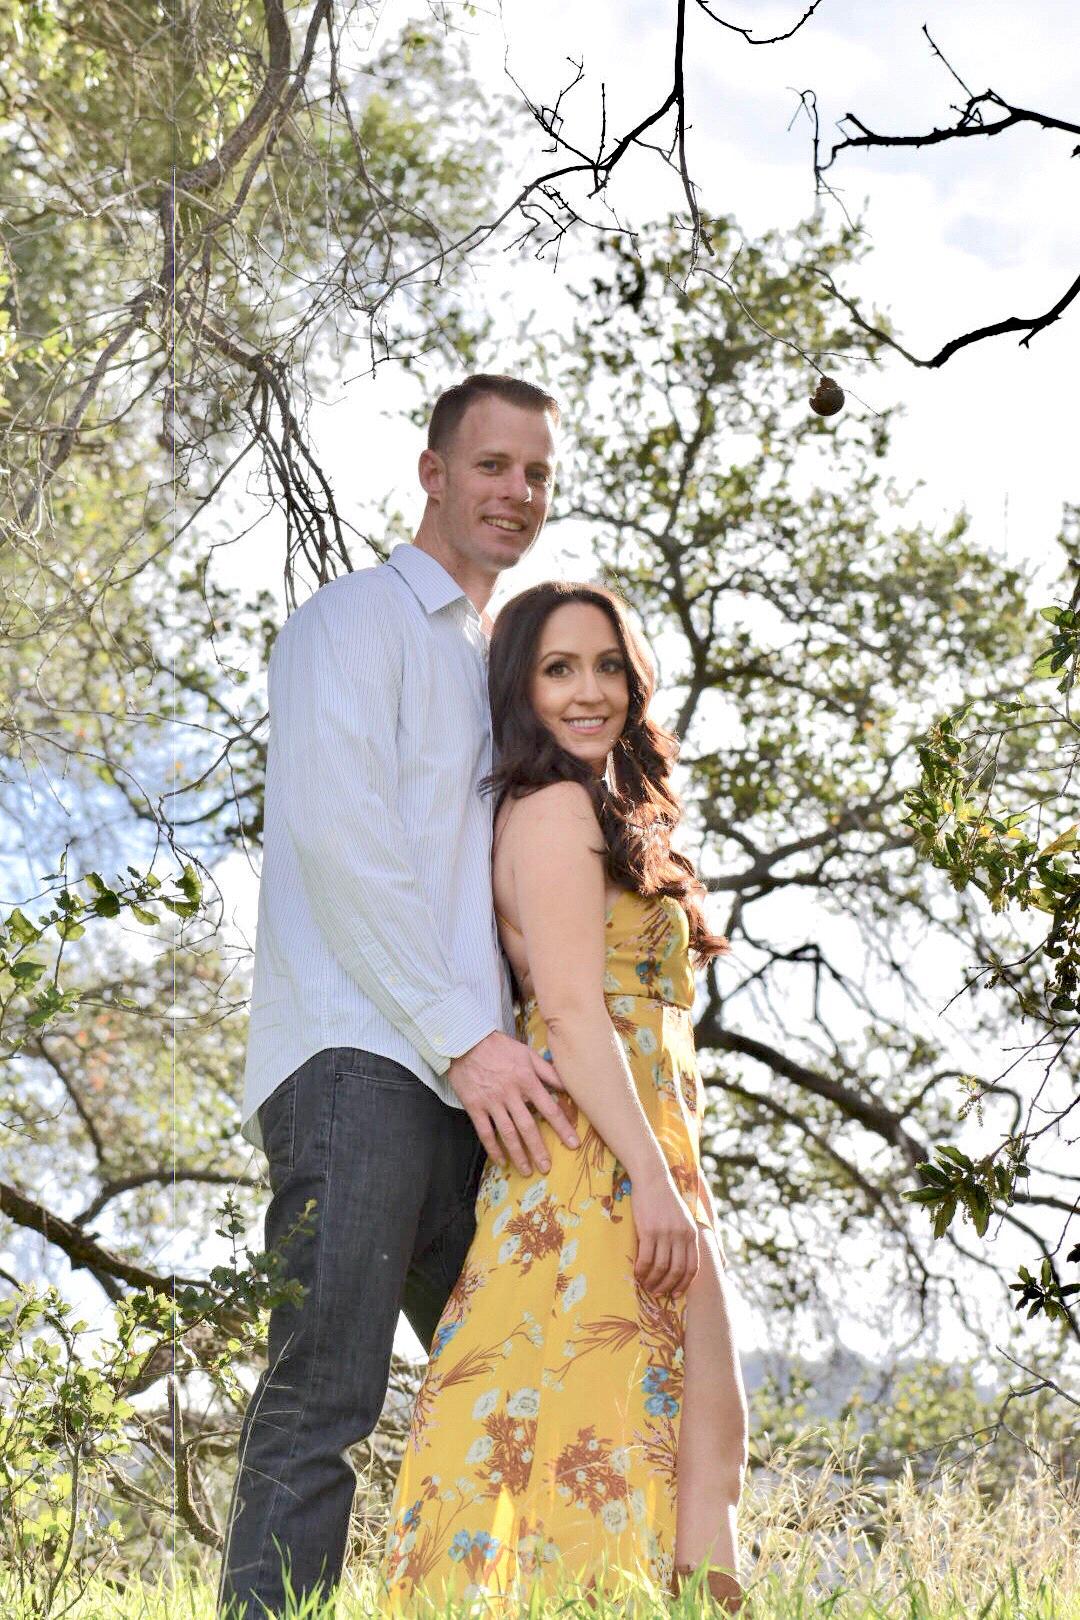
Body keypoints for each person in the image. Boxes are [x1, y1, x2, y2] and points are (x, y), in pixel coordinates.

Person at [218, 375, 584, 1619]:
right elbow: (340, 841)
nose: (516, 493)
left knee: (519, 1385)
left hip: (478, 1086)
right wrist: (463, 1038)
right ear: (433, 473)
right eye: (492, 466)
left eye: (536, 474)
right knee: (326, 1395)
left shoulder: (502, 670)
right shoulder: (352, 622)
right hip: (361, 1062)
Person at [378, 581, 749, 1614]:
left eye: (607, 666)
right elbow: (576, 1016)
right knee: (629, 1448)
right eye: (558, 670)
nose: (589, 691)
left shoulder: (601, 810)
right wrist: (653, 1183)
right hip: (602, 1165)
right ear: (520, 688)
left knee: (693, 1449)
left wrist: (668, 1176)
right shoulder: (552, 810)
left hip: (643, 1155)